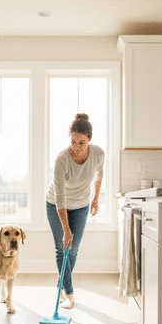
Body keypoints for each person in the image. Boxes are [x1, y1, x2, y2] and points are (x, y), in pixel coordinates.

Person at [46, 113, 105, 309]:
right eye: (73, 141)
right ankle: (69, 293)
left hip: (81, 204)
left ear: (90, 139)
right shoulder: (62, 160)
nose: (76, 146)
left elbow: (99, 171)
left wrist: (95, 198)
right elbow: (59, 197)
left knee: (74, 249)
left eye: (82, 142)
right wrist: (66, 229)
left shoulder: (98, 154)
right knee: (62, 247)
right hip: (56, 204)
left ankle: (62, 283)